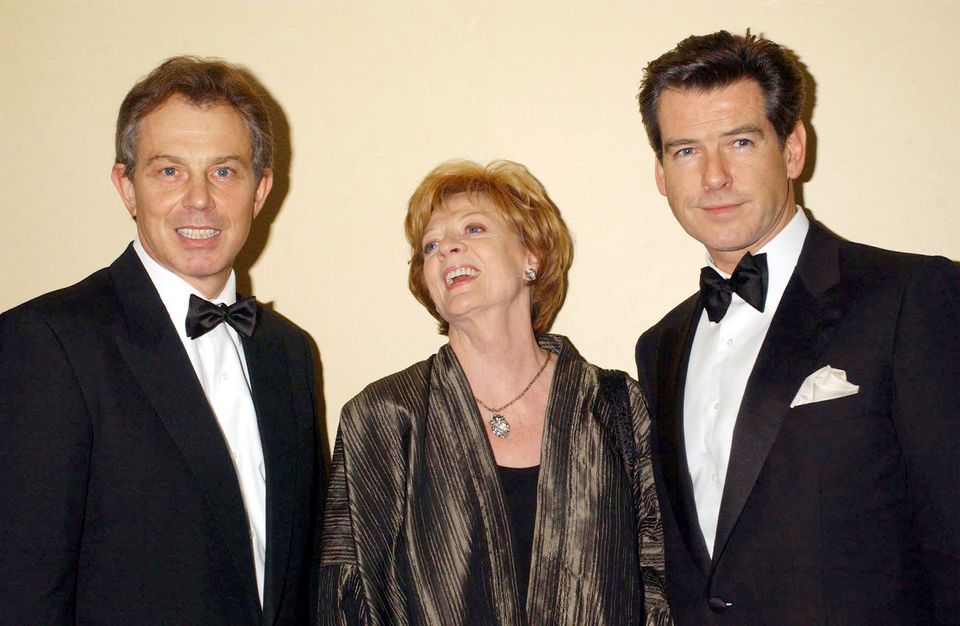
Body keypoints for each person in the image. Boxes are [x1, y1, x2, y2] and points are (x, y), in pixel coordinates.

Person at [634, 30, 960, 624]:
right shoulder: (659, 346)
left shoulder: (913, 297)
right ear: (660, 173)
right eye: (685, 151)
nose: (712, 177)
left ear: (791, 149)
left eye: (739, 141)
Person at [0, 56, 324, 623]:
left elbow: (305, 582)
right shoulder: (47, 343)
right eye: (169, 171)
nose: (199, 199)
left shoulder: (290, 354)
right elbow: (22, 593)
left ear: (260, 189)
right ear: (126, 187)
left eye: (224, 171)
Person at [317, 159, 671, 625]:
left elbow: (659, 580)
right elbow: (345, 601)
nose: (448, 249)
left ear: (532, 255)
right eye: (431, 246)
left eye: (475, 228)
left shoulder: (614, 405)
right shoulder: (381, 417)